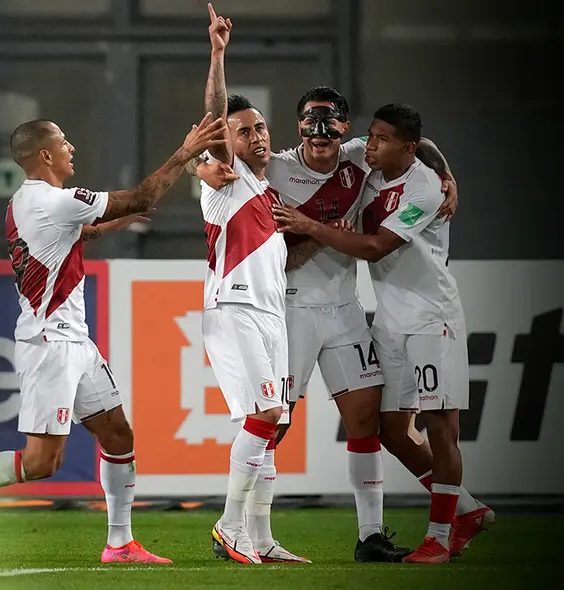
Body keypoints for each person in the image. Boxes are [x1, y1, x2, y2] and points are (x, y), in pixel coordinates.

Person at [195, 84, 493, 560]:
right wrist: (202, 167)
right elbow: (279, 252)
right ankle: (256, 535)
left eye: (329, 126)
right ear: (299, 130)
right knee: (275, 424)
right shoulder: (274, 167)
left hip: (347, 311)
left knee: (365, 423)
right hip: (291, 311)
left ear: (344, 130)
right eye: (311, 127)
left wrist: (446, 177)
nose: (320, 136)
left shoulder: (361, 156)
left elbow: (421, 145)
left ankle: (370, 536)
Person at [0, 112, 228, 564]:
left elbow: (75, 234)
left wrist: (109, 225)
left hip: (76, 343)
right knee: (41, 464)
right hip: (50, 344)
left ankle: (120, 544)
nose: (72, 147)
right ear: (45, 155)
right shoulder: (53, 200)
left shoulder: (27, 202)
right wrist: (186, 152)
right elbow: (143, 196)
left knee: (117, 434)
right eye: (64, 141)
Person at [272, 103, 471, 563]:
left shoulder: (419, 185)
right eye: (371, 136)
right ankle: (468, 510)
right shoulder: (364, 161)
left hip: (425, 318)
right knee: (386, 430)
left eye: (381, 139)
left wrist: (309, 227)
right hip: (375, 318)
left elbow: (375, 248)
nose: (371, 145)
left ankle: (429, 536)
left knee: (438, 427)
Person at [191, 6, 308, 566]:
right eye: (244, 130)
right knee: (263, 418)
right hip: (234, 309)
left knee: (271, 425)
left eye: (260, 127)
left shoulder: (265, 191)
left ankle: (260, 536)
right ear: (226, 141)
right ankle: (229, 525)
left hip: (271, 316)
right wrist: (217, 52)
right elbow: (214, 114)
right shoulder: (224, 179)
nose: (257, 136)